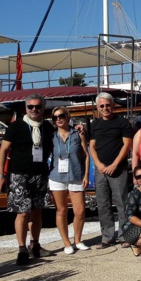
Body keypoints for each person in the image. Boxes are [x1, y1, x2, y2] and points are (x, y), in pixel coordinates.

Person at [0, 94, 55, 264]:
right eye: (30, 107)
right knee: (22, 213)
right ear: (26, 108)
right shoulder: (16, 126)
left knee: (37, 211)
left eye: (37, 106)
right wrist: (1, 175)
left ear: (43, 108)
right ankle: (22, 249)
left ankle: (35, 245)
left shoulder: (47, 127)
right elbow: (3, 150)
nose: (34, 109)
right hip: (19, 174)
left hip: (40, 174)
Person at [89, 92, 133, 249]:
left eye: (108, 105)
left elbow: (127, 145)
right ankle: (107, 236)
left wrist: (115, 164)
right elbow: (92, 146)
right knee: (102, 204)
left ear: (113, 105)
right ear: (97, 107)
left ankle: (124, 235)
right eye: (102, 106)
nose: (105, 108)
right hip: (100, 170)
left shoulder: (122, 123)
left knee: (122, 203)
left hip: (118, 169)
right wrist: (98, 164)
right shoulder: (94, 124)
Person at [48, 106, 90, 255]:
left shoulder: (78, 133)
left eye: (61, 116)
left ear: (68, 117)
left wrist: (86, 175)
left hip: (76, 174)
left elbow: (86, 155)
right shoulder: (51, 135)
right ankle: (66, 243)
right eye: (55, 117)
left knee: (79, 211)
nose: (58, 119)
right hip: (56, 176)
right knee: (62, 210)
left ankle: (78, 240)